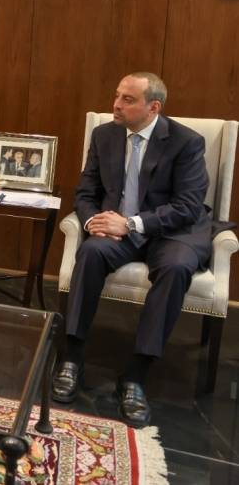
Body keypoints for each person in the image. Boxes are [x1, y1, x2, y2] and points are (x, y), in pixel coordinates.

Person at [52, 72, 212, 429]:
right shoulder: (104, 135)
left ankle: (136, 374)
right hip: (116, 229)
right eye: (117, 96)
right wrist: (93, 222)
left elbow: (187, 206)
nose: (116, 105)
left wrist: (132, 224)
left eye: (128, 99)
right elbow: (86, 193)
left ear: (153, 107)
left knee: (176, 268)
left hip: (171, 232)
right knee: (91, 253)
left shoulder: (186, 142)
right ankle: (72, 358)